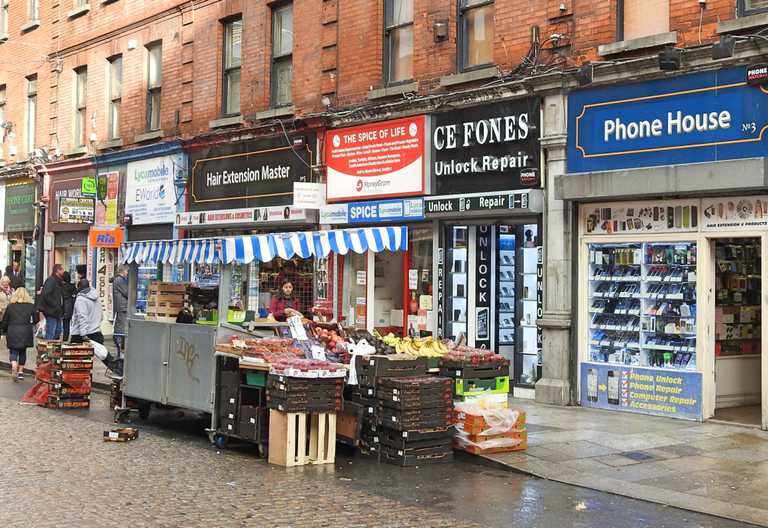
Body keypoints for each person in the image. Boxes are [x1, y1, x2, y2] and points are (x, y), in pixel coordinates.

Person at [1, 288, 38, 381]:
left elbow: (5, 321)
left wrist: (4, 331)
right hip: (26, 331)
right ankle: (21, 372)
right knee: (23, 351)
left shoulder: (10, 306)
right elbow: (36, 320)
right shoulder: (31, 306)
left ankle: (13, 364)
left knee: (13, 351)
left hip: (13, 330)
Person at [70, 279, 104, 345]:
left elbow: (82, 317)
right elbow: (101, 316)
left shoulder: (80, 299)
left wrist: (83, 335)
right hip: (97, 333)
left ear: (79, 288)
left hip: (81, 335)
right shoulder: (96, 297)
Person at [39, 264, 65, 340]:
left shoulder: (58, 281)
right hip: (51, 311)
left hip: (57, 311)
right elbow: (46, 294)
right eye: (62, 269)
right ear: (58, 271)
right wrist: (55, 305)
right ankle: (48, 349)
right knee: (51, 332)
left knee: (58, 331)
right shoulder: (51, 280)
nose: (63, 271)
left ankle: (53, 348)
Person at [112, 266, 129, 358]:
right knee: (121, 327)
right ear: (123, 271)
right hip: (122, 306)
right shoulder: (120, 280)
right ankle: (120, 349)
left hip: (121, 306)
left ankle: (120, 348)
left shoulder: (118, 279)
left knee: (120, 326)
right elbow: (127, 292)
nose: (127, 273)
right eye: (127, 271)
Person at [61, 272, 76, 341]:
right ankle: (69, 337)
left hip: (63, 306)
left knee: (64, 323)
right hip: (71, 306)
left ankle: (64, 338)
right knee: (69, 323)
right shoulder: (73, 286)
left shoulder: (61, 286)